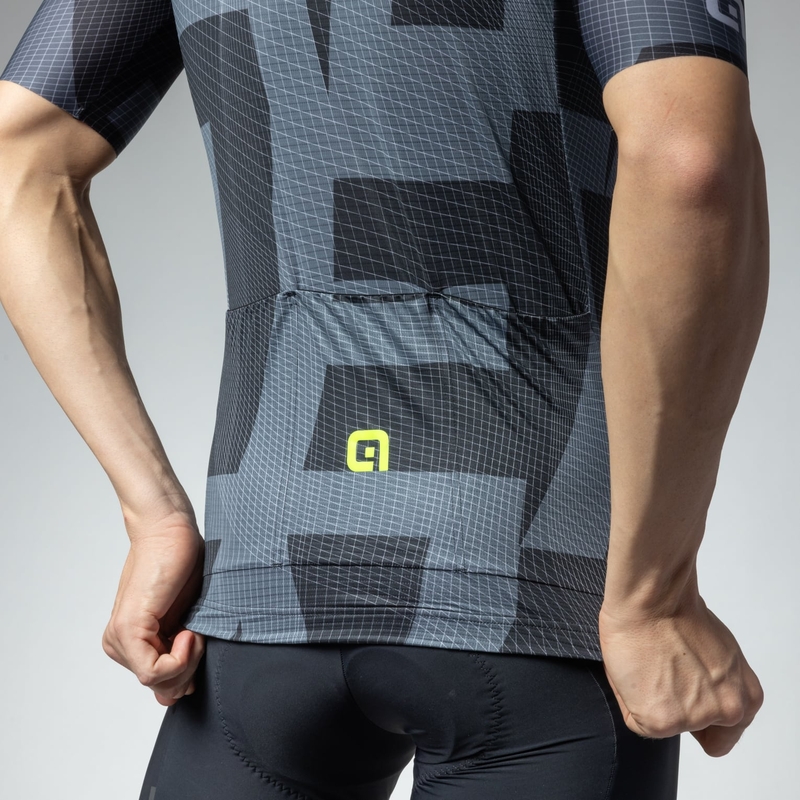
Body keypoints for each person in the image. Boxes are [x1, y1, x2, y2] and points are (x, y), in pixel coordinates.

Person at [0, 0, 766, 797]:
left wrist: (152, 513)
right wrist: (653, 596)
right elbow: (689, 159)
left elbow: (17, 154)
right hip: (532, 578)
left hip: (268, 568)